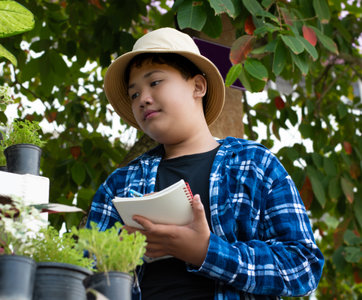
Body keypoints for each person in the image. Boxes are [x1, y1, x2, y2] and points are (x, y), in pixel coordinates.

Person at [86, 27, 324, 299]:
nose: (144, 99)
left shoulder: (255, 164)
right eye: (134, 94)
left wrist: (206, 252)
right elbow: (82, 270)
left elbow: (304, 265)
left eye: (154, 83)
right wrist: (115, 253)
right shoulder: (119, 184)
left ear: (198, 86)